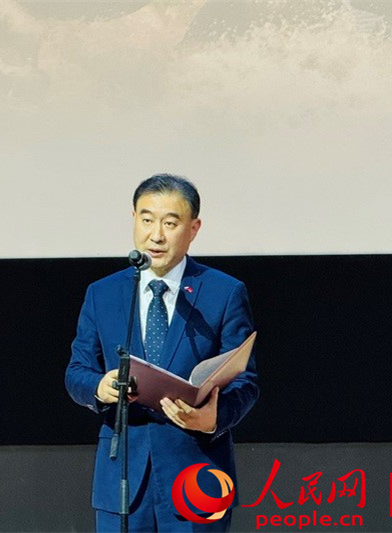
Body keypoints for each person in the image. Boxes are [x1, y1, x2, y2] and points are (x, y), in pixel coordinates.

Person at [65, 174, 259, 532]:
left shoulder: (223, 292)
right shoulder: (102, 293)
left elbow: (246, 381)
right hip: (124, 480)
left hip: (197, 474)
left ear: (194, 228)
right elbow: (77, 371)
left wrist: (213, 419)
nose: (156, 235)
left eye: (170, 223)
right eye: (146, 220)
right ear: (133, 219)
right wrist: (99, 387)